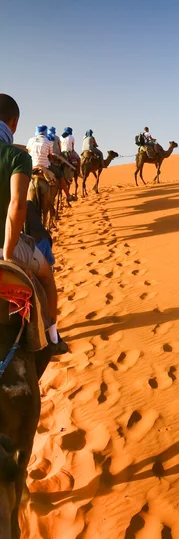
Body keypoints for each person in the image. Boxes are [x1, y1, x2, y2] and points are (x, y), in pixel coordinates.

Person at [0, 93, 67, 354]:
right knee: (47, 275)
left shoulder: (29, 145)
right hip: (8, 247)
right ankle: (52, 338)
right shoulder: (19, 157)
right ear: (13, 122)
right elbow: (17, 205)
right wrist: (8, 251)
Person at [27, 126, 74, 203]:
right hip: (46, 165)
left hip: (33, 165)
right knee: (61, 175)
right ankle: (68, 195)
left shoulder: (31, 140)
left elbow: (28, 152)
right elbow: (50, 155)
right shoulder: (48, 141)